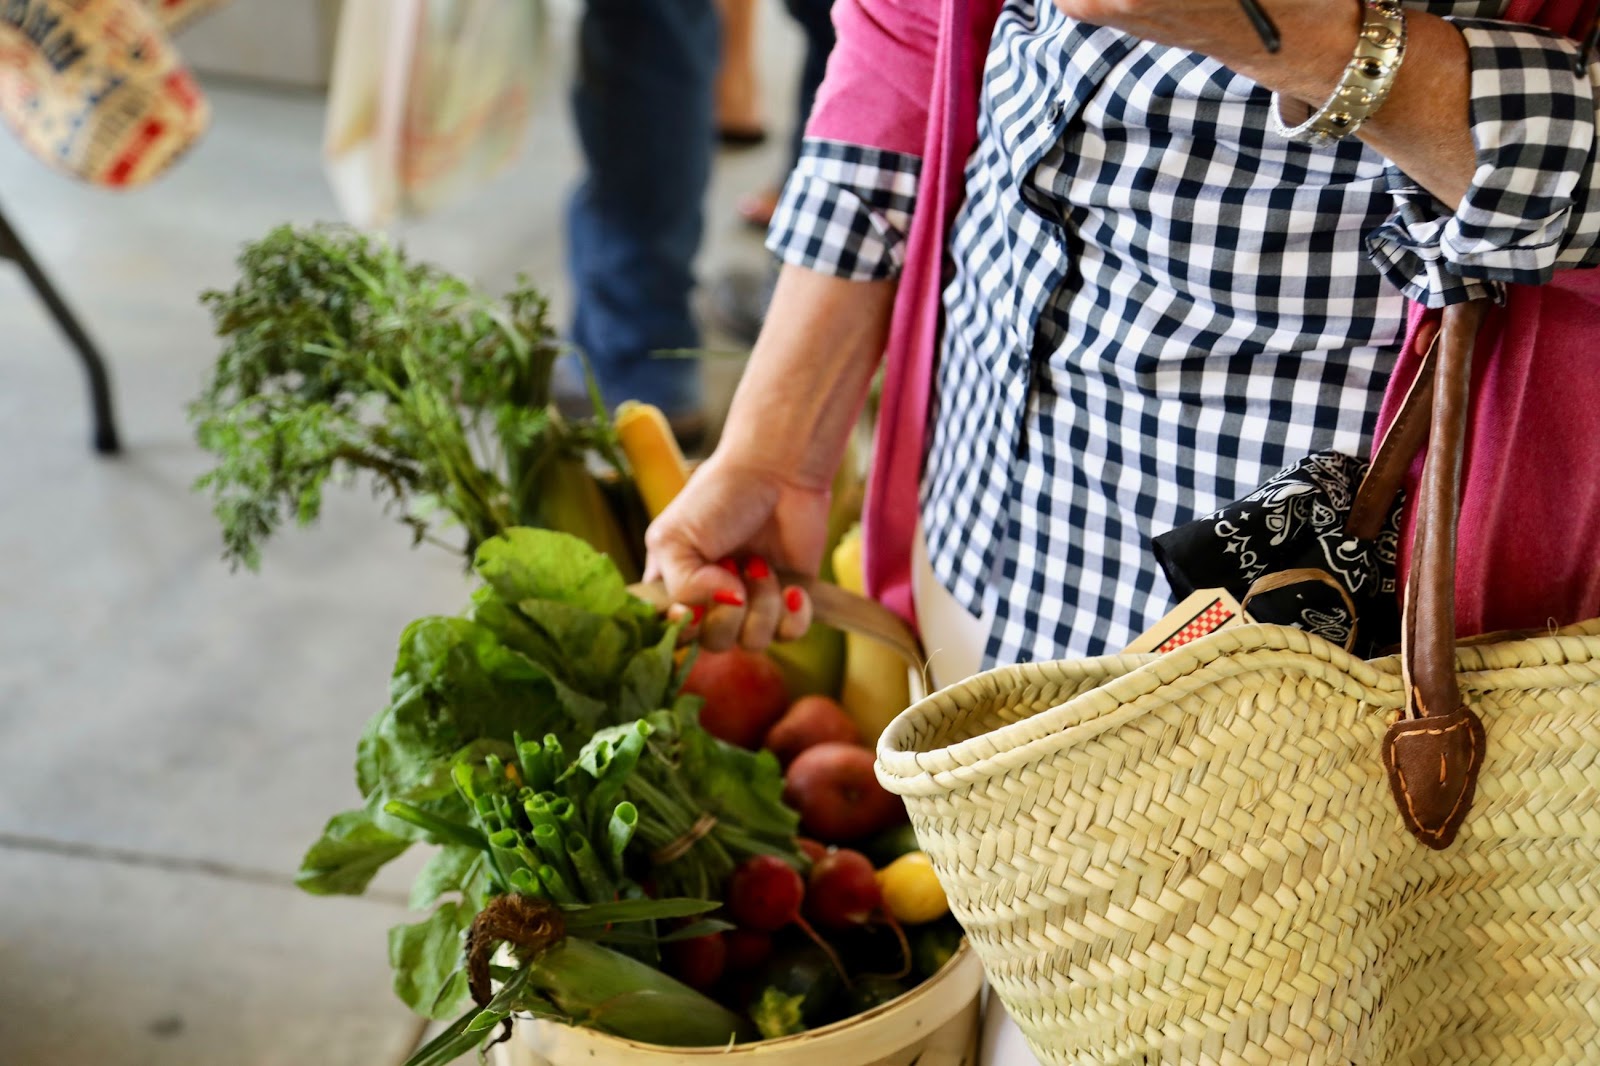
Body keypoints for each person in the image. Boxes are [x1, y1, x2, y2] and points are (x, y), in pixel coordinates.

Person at [641, 0, 1600, 1056]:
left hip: (1299, 689)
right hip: (979, 553)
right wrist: (780, 441)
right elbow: (907, 30)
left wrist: (1313, 37)